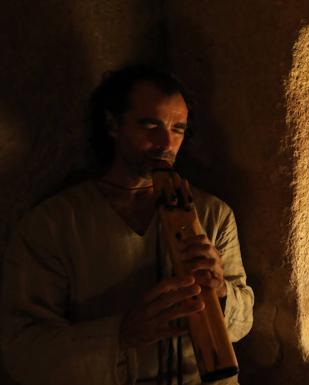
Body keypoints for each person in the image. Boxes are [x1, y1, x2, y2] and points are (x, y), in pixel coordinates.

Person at [1, 66, 254, 385]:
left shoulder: (214, 213)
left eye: (178, 128)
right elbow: (23, 352)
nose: (166, 143)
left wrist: (219, 290)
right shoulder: (53, 223)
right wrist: (121, 335)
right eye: (151, 125)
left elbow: (242, 324)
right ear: (112, 124)